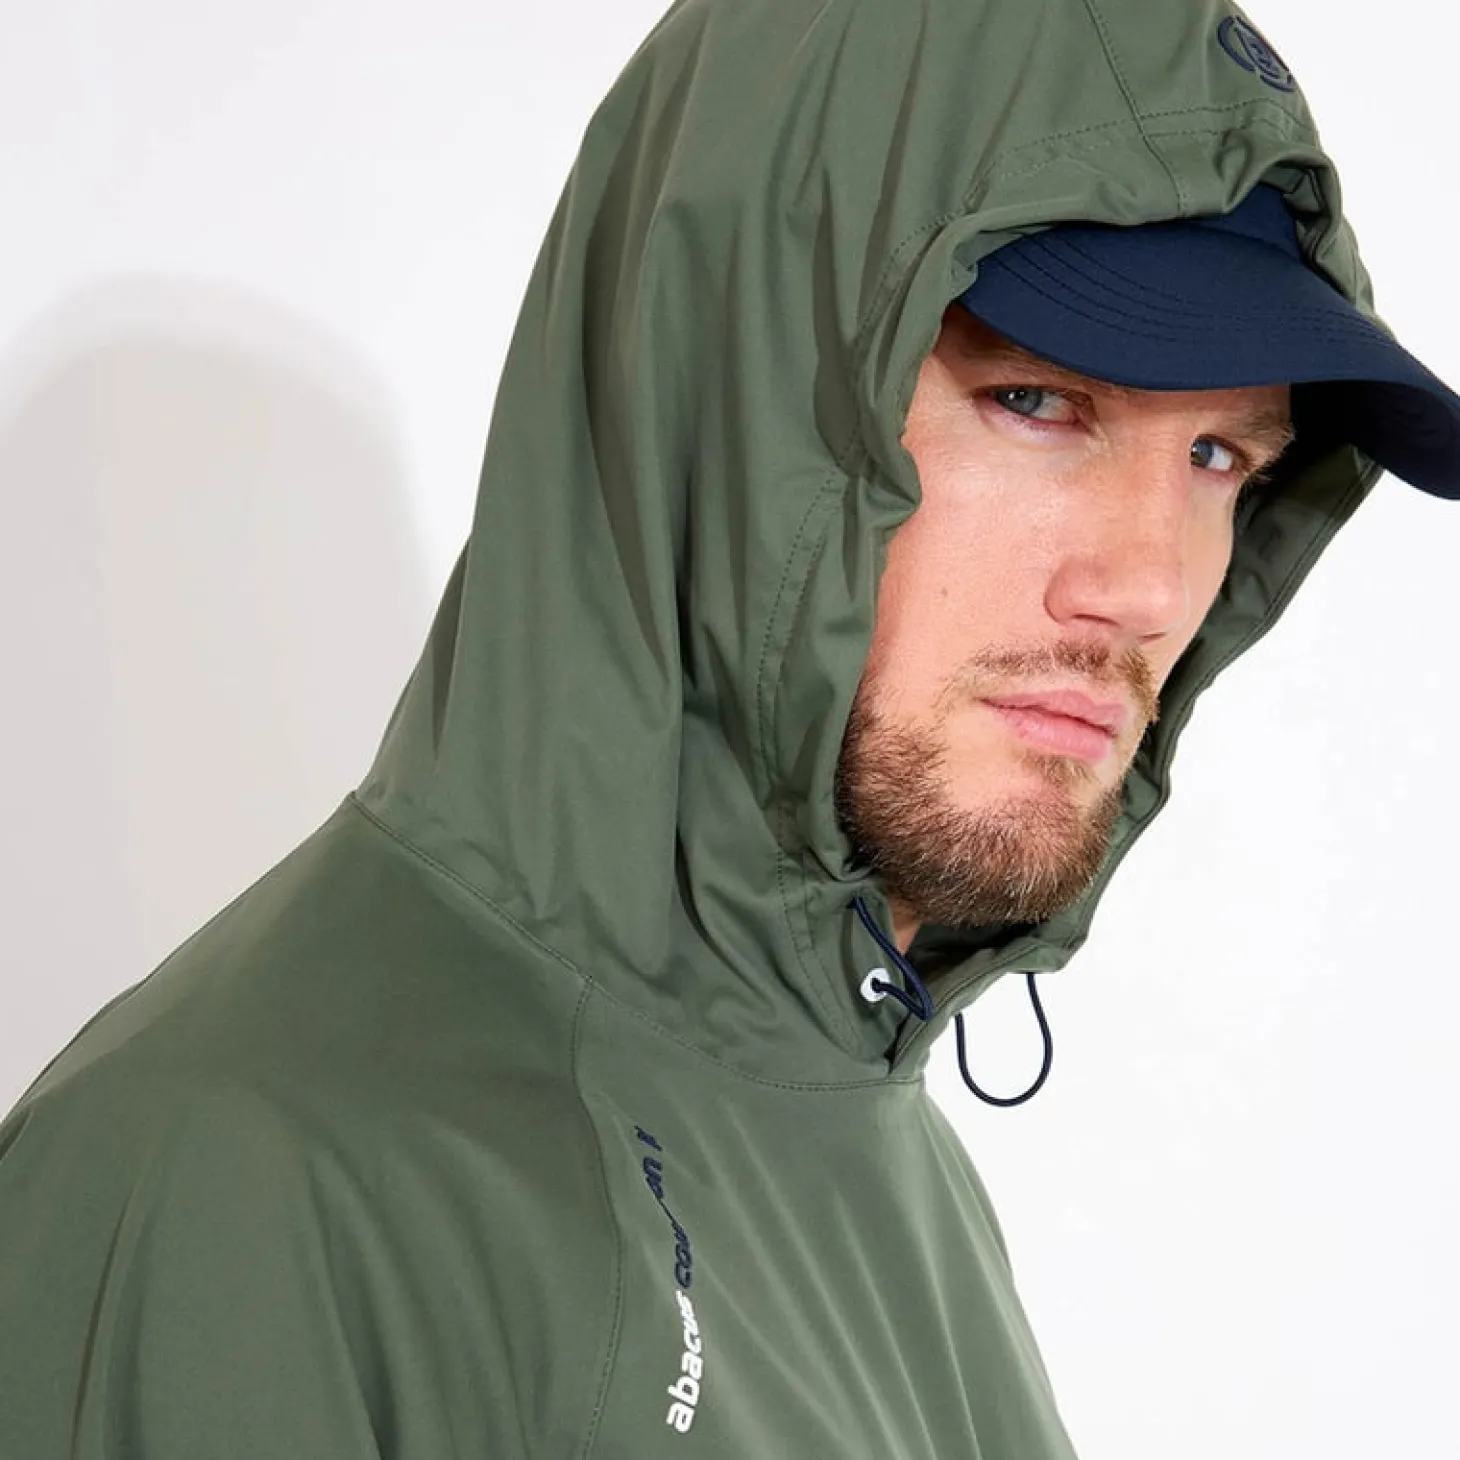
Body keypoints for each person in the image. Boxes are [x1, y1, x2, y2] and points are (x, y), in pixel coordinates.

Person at [2, 1, 1455, 1455]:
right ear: (732, 403)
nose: (1147, 586)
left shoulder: (869, 1144)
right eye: (1033, 402)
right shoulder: (235, 1181)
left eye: (1217, 454)